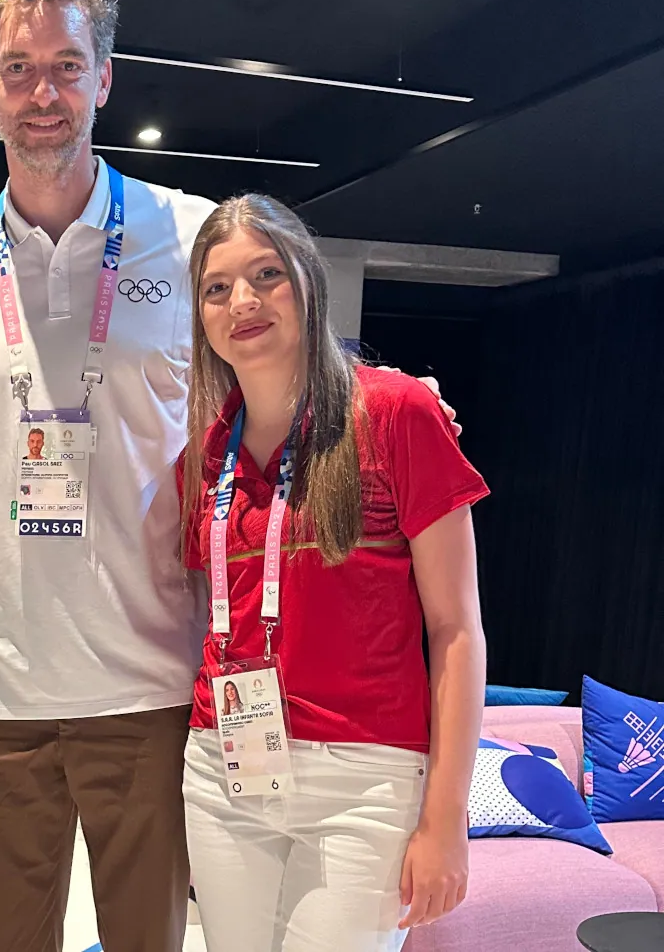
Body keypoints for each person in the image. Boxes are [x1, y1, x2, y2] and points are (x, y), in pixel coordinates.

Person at [0, 0, 461, 952]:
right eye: (19, 68)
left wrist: (390, 388)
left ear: (103, 78)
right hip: (0, 700)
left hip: (155, 691)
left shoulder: (190, 235)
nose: (43, 93)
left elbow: (277, 347)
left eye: (67, 66)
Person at [179, 195, 487, 951]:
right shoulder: (205, 455)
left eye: (266, 274)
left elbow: (456, 631)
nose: (242, 302)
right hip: (225, 767)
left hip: (366, 777)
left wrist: (446, 818)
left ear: (308, 283)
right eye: (217, 288)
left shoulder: (396, 413)